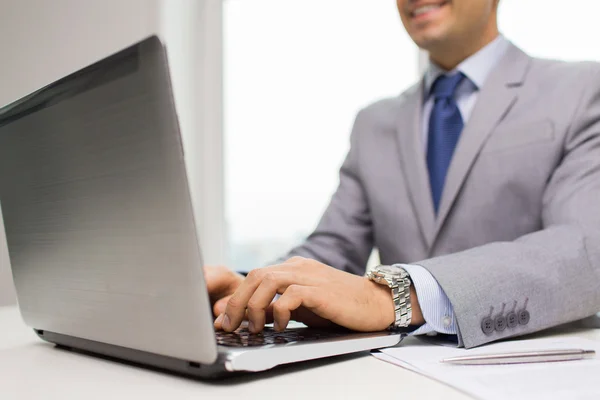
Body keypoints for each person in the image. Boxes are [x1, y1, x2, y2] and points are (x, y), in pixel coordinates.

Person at [207, 0, 600, 348]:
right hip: (394, 376)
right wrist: (253, 287)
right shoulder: (374, 123)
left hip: (532, 369)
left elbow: (585, 246)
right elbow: (332, 251)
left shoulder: (582, 89)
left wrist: (396, 296)